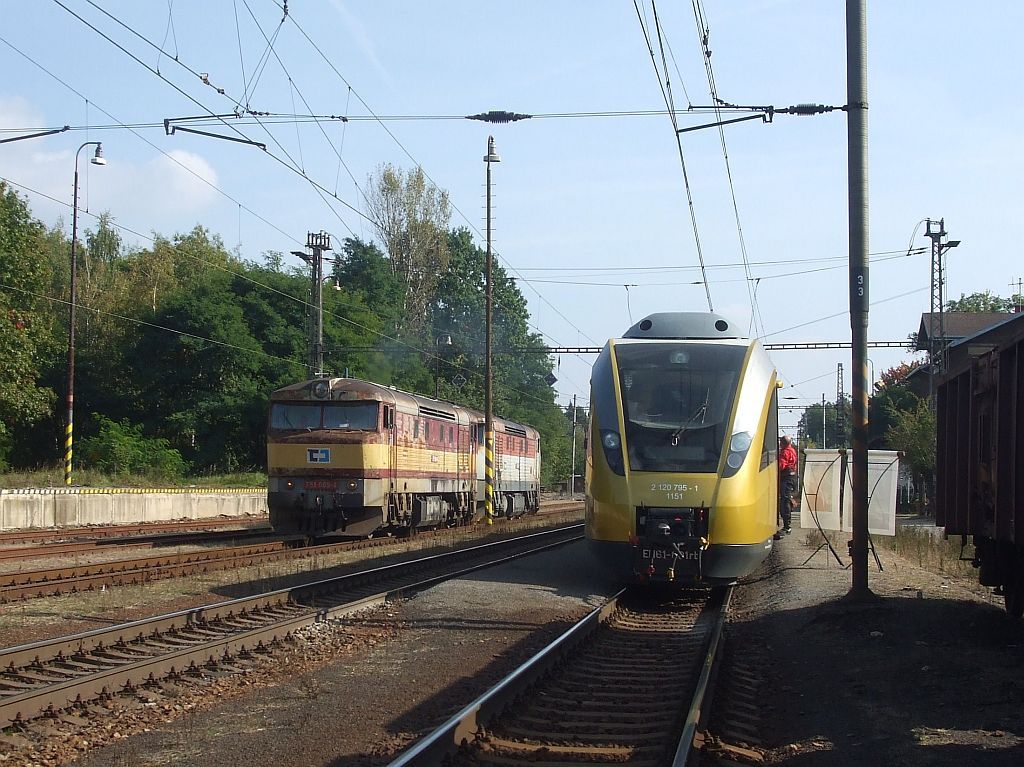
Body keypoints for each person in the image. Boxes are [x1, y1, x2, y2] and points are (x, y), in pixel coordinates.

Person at [777, 435, 798, 535]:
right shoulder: (793, 450)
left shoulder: (785, 452)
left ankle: (787, 527)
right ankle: (791, 501)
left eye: (781, 442)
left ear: (783, 443)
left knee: (784, 500)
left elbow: (781, 465)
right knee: (786, 498)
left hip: (786, 477)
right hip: (792, 477)